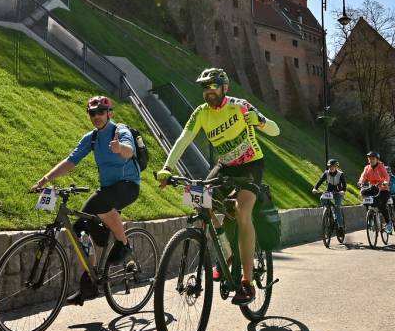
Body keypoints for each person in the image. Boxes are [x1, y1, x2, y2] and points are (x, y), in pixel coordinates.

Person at [156, 67, 280, 305]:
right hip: (225, 164)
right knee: (199, 200)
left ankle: (247, 283)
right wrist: (167, 167)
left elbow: (276, 130)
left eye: (212, 86)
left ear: (224, 87)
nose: (208, 91)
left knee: (242, 212)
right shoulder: (201, 113)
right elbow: (184, 138)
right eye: (204, 87)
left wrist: (261, 121)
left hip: (251, 165)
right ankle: (227, 255)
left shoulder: (240, 105)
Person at [32, 95, 141, 305]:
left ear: (110, 113)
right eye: (93, 113)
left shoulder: (120, 131)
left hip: (128, 186)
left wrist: (120, 149)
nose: (97, 116)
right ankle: (88, 284)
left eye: (101, 112)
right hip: (108, 188)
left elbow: (129, 150)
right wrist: (45, 179)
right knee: (79, 229)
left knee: (102, 203)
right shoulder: (91, 138)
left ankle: (124, 243)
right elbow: (71, 161)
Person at [358, 151, 394, 235]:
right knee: (365, 196)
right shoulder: (367, 168)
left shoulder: (381, 167)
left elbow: (386, 176)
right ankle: (370, 217)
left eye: (373, 159)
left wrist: (385, 182)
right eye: (370, 159)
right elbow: (363, 176)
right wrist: (361, 182)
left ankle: (389, 224)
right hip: (373, 188)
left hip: (383, 189)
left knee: (382, 205)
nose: (371, 160)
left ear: (377, 160)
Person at [313, 158, 350, 237]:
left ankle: (340, 227)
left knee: (337, 207)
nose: (331, 168)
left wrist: (343, 191)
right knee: (322, 198)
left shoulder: (340, 174)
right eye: (330, 167)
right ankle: (327, 212)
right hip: (329, 191)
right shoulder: (326, 173)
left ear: (336, 167)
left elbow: (344, 185)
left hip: (338, 192)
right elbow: (320, 181)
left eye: (333, 167)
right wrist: (315, 188)